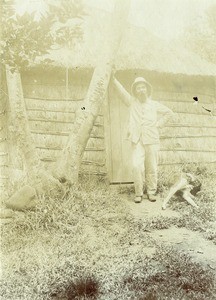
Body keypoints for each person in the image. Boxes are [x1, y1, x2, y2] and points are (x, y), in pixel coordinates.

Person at [112, 76, 174, 203]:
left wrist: (158, 124)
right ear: (135, 91)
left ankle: (151, 192)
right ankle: (139, 193)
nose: (141, 90)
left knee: (151, 167)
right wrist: (113, 79)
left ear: (147, 89)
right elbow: (121, 91)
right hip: (137, 140)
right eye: (138, 88)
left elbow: (169, 113)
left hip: (152, 139)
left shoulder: (154, 105)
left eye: (143, 87)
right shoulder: (131, 102)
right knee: (136, 166)